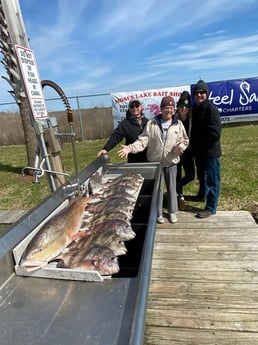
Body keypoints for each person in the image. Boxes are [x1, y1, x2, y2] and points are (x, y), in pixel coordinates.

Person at [118, 96, 189, 224]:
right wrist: (130, 148)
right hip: (155, 164)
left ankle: (172, 212)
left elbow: (184, 140)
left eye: (171, 108)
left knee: (172, 188)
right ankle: (158, 213)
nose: (169, 110)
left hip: (171, 163)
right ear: (161, 109)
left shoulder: (178, 124)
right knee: (157, 190)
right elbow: (142, 141)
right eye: (166, 107)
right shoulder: (152, 123)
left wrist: (181, 146)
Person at [191, 80, 222, 218]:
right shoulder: (195, 110)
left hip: (210, 153)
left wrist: (202, 146)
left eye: (202, 92)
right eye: (197, 93)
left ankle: (211, 207)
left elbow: (215, 134)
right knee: (202, 176)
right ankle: (201, 195)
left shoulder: (212, 110)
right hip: (199, 153)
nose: (199, 95)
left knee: (212, 180)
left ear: (206, 94)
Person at [176, 91, 195, 210]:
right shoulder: (174, 119)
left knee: (191, 175)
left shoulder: (192, 119)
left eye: (186, 106)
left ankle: (175, 187)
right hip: (177, 152)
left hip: (188, 152)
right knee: (177, 175)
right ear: (178, 107)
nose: (184, 108)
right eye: (181, 106)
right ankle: (180, 196)